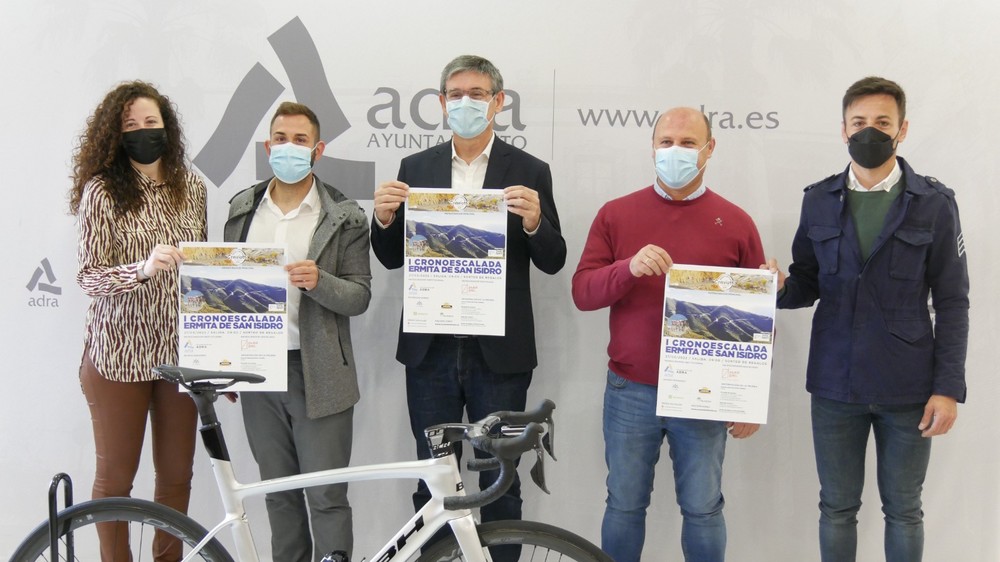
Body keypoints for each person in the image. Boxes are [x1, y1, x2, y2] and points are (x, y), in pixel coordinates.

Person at [765, 76, 969, 562]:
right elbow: (807, 283)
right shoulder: (818, 199)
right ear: (843, 130)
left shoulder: (935, 204)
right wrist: (778, 289)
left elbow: (954, 300)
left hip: (909, 388)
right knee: (836, 508)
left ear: (902, 130)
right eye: (859, 123)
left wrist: (947, 388)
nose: (869, 132)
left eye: (882, 122)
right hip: (836, 385)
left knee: (904, 510)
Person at [370, 55, 566, 536]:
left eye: (477, 94)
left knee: (501, 483)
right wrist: (383, 220)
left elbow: (554, 259)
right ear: (440, 104)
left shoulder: (529, 170)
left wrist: (536, 223)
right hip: (430, 349)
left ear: (498, 103)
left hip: (498, 354)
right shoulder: (415, 167)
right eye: (456, 95)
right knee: (434, 483)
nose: (466, 103)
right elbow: (392, 258)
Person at [572, 107, 764, 562]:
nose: (674, 151)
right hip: (630, 389)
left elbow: (757, 317)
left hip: (704, 393)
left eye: (687, 143)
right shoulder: (616, 214)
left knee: (702, 508)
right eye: (666, 142)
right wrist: (627, 269)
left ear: (709, 149)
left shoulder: (736, 222)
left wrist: (748, 398)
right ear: (652, 147)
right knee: (623, 504)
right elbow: (582, 292)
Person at [224, 101, 372, 562]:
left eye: (300, 140)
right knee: (278, 495)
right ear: (268, 147)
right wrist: (227, 360)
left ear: (318, 149)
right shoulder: (243, 208)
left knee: (326, 498)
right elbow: (228, 288)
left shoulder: (344, 216)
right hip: (258, 374)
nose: (289, 148)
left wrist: (319, 282)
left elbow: (360, 296)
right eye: (281, 140)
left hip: (320, 374)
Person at [73, 80, 207, 562]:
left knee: (175, 476)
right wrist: (142, 269)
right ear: (114, 134)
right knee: (115, 481)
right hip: (118, 355)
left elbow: (205, 275)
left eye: (151, 123)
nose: (143, 132)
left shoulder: (191, 187)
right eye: (131, 125)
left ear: (167, 128)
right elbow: (89, 277)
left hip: (179, 355)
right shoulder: (102, 191)